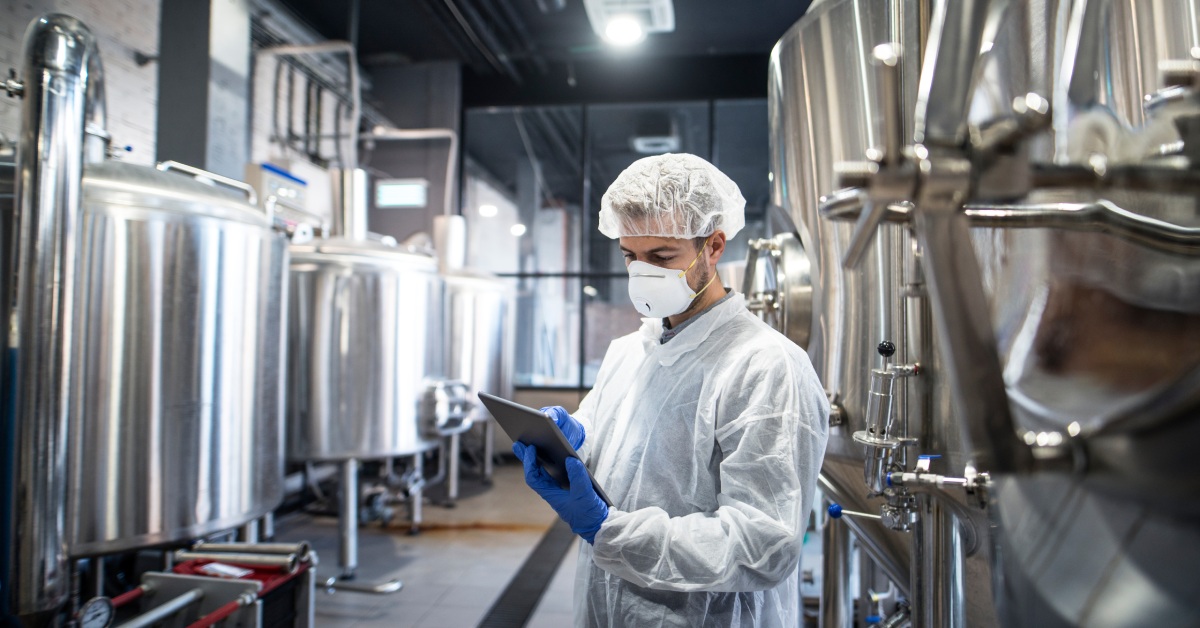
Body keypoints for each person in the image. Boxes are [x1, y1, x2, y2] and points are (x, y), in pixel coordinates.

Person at [514, 153, 830, 627]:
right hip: (607, 607)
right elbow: (617, 442)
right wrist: (574, 438)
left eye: (662, 257)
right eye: (630, 256)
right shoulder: (629, 350)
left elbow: (763, 545)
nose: (643, 274)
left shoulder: (767, 365)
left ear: (714, 246)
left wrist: (611, 530)